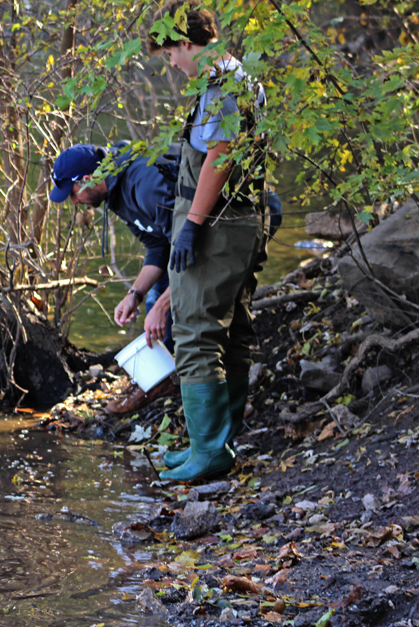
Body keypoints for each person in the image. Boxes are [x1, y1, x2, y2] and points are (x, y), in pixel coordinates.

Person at [146, 1, 271, 481]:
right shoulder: (239, 76)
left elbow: (220, 153)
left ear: (185, 43)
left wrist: (192, 223)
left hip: (218, 227)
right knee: (233, 328)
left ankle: (209, 451)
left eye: (170, 55)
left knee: (197, 332)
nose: (172, 65)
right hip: (241, 222)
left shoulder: (222, 83)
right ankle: (219, 443)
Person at [49, 143, 179, 415]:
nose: (74, 203)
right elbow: (158, 246)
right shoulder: (114, 193)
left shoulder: (144, 186)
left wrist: (164, 306)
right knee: (153, 297)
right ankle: (160, 380)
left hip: (227, 240)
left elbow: (195, 250)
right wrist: (134, 295)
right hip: (192, 251)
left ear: (87, 180)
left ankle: (220, 400)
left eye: (72, 194)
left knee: (177, 310)